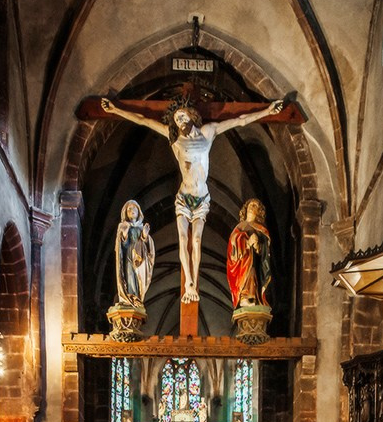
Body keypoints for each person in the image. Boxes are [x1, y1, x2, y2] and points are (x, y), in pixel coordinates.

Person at [100, 93, 285, 303]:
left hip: (201, 198)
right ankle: (189, 282)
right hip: (184, 197)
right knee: (182, 240)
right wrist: (115, 110)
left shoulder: (208, 132)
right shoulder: (174, 139)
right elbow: (144, 121)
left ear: (192, 115)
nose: (179, 121)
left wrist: (268, 111)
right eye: (176, 119)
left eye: (182, 116)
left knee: (196, 240)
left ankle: (193, 283)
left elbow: (239, 121)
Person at [226, 198, 272, 308]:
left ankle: (253, 296)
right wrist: (246, 242)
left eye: (256, 206)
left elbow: (265, 252)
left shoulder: (262, 230)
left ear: (259, 212)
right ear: (246, 208)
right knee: (249, 272)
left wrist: (257, 246)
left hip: (255, 262)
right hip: (242, 263)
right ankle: (245, 296)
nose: (252, 207)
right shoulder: (239, 227)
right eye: (251, 205)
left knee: (253, 273)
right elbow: (232, 248)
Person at [114, 199, 154, 308]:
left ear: (139, 211)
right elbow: (122, 246)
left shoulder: (141, 228)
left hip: (140, 258)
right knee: (130, 275)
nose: (132, 210)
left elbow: (148, 247)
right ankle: (130, 297)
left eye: (134, 208)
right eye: (129, 209)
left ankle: (137, 297)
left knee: (138, 278)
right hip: (128, 256)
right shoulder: (123, 226)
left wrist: (145, 236)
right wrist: (125, 234)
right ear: (125, 213)